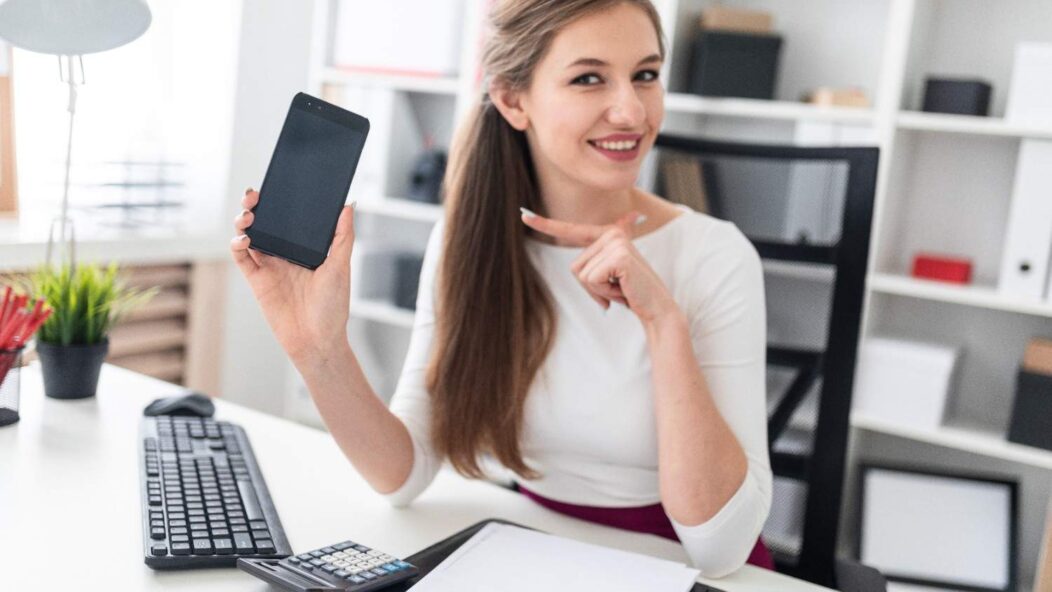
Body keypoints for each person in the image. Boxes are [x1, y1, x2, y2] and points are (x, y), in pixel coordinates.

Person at [231, 0, 772, 578]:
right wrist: (318, 349)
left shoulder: (715, 255)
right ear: (513, 100)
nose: (631, 110)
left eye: (645, 74)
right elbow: (401, 473)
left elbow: (721, 550)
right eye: (589, 78)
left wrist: (663, 322)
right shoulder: (468, 241)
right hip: (536, 550)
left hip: (682, 565)